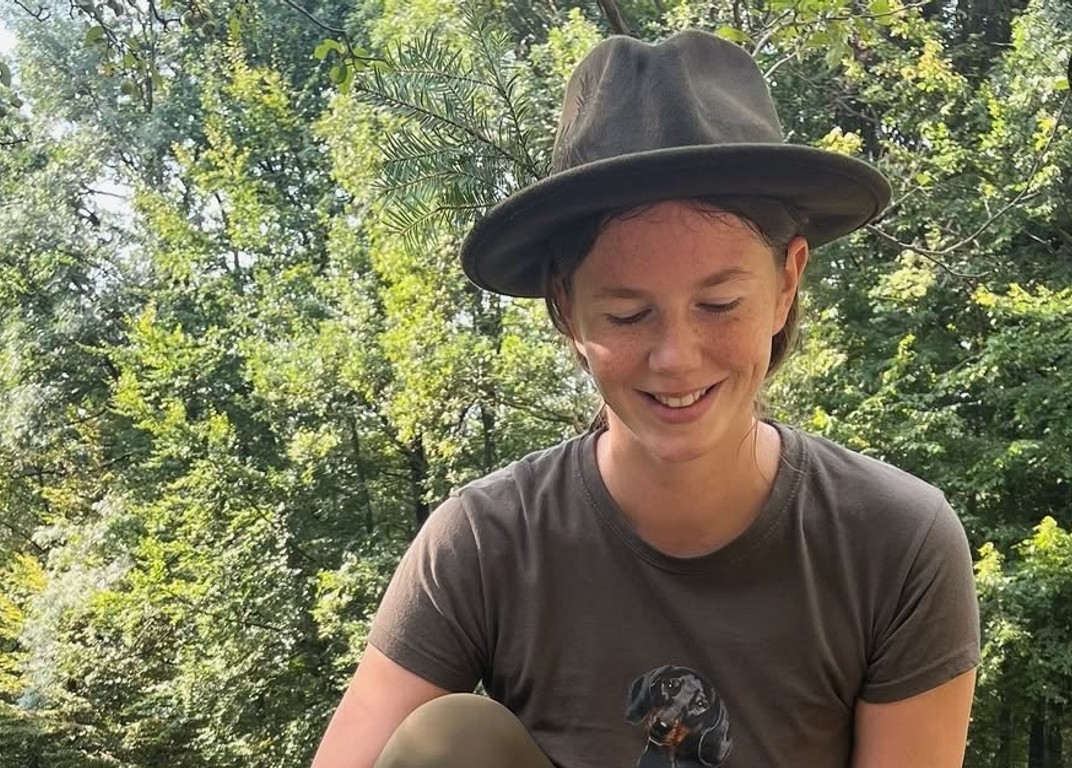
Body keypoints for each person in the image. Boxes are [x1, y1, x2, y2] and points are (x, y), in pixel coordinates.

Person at [311, 29, 980, 768]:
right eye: (628, 315)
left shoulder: (895, 542)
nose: (676, 357)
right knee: (452, 743)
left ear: (787, 283)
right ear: (566, 310)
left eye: (720, 304)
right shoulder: (486, 541)